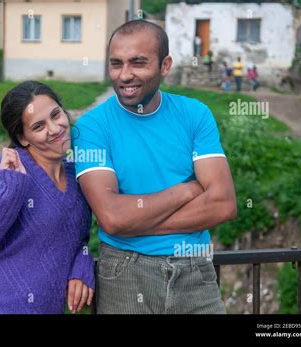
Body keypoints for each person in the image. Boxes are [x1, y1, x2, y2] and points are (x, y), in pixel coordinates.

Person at [73, 20, 237, 314]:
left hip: (195, 272)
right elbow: (111, 218)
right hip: (125, 272)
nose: (125, 75)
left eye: (138, 63)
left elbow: (223, 205)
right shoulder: (90, 128)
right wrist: (187, 191)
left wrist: (134, 222)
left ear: (165, 65)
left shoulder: (195, 114)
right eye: (116, 63)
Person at [0, 81, 95, 314]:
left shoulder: (76, 174)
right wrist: (12, 191)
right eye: (39, 126)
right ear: (23, 138)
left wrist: (82, 263)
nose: (55, 128)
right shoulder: (5, 170)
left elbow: (77, 237)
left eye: (55, 115)